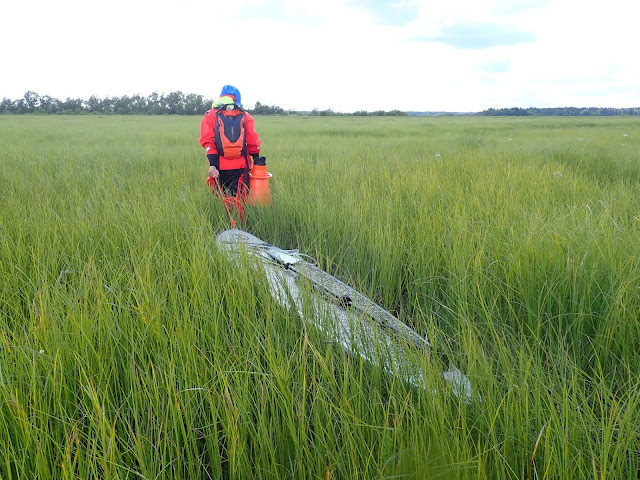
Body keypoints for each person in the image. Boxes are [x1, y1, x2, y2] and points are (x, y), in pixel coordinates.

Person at [200, 85, 261, 197]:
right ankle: (239, 215)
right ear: (236, 99)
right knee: (239, 201)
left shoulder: (210, 115)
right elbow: (252, 141)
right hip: (241, 166)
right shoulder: (245, 115)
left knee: (219, 201)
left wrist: (213, 165)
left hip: (218, 167)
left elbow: (208, 142)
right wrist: (257, 158)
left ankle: (221, 215)